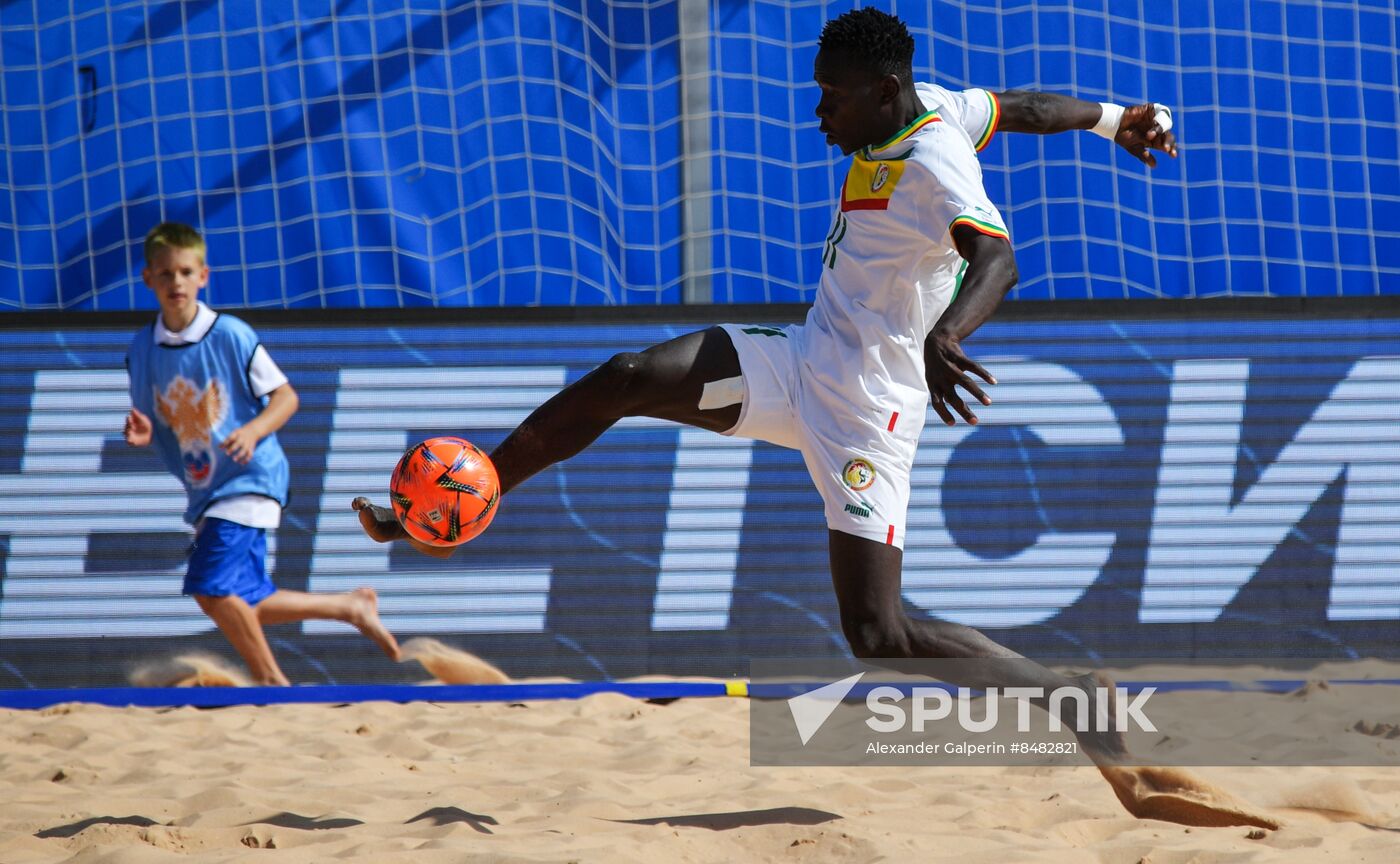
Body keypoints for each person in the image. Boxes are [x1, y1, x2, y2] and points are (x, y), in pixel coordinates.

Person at [351, 8, 1177, 753]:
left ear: (883, 93)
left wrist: (945, 335)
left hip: (868, 413)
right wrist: (1113, 120)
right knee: (628, 376)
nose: (820, 111)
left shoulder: (934, 163)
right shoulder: (931, 102)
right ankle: (480, 489)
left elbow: (998, 260)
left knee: (877, 634)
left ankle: (1063, 698)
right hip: (799, 362)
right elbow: (1025, 109)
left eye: (834, 97)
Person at [125, 221, 400, 686]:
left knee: (209, 587)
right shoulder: (141, 349)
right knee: (245, 600)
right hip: (208, 488)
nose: (176, 282)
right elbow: (152, 419)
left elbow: (287, 398)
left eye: (186, 272)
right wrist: (145, 433)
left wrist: (252, 431)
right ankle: (347, 606)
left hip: (251, 477)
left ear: (203, 276)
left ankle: (271, 682)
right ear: (148, 278)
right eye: (166, 273)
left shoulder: (229, 334)